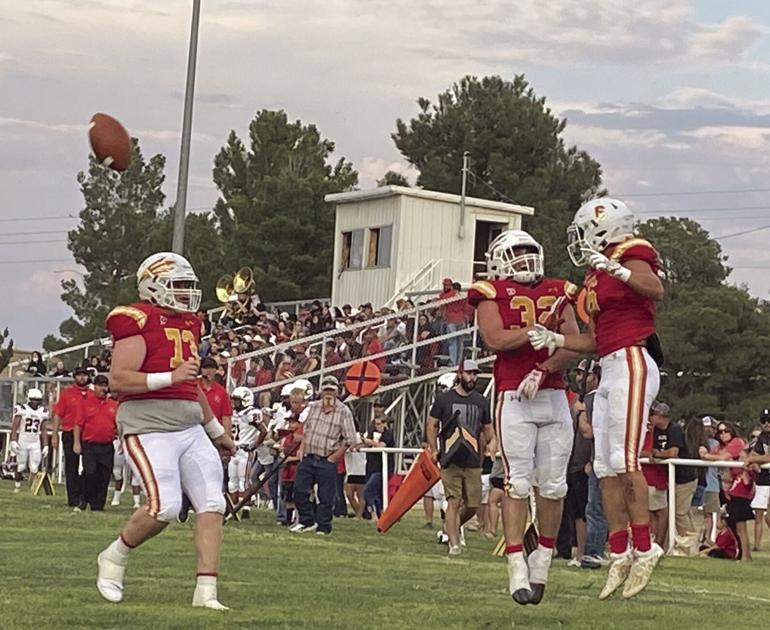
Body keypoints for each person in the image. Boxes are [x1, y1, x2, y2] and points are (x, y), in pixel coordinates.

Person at [530, 197, 665, 599]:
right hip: (610, 364)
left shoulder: (631, 252)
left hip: (633, 360)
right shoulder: (595, 272)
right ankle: (619, 550)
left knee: (625, 460)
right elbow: (596, 338)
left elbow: (655, 289)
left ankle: (646, 547)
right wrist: (557, 340)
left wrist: (617, 269)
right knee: (604, 467)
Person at [95, 252, 235, 610]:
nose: (186, 292)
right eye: (179, 285)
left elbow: (191, 386)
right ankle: (114, 556)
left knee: (213, 503)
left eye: (189, 285)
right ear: (152, 286)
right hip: (148, 424)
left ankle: (206, 592)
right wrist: (170, 377)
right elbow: (119, 379)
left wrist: (216, 430)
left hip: (189, 424)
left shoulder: (191, 322)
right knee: (165, 507)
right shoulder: (136, 318)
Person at [469, 230, 578, 604]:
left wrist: (543, 369)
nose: (525, 259)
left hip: (552, 393)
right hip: (514, 395)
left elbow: (573, 343)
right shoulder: (490, 292)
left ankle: (542, 559)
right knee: (516, 483)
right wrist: (537, 331)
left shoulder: (559, 290)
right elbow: (495, 339)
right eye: (516, 252)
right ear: (499, 259)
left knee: (554, 486)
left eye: (529, 251)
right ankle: (515, 560)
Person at [426, 360, 494, 557]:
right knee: (453, 501)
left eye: (475, 374)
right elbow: (432, 424)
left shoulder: (481, 401)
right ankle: (454, 544)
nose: (472, 378)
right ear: (460, 374)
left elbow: (488, 429)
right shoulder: (444, 399)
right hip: (450, 458)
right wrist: (433, 449)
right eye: (469, 373)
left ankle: (451, 527)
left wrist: (492, 444)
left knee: (473, 505)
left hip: (473, 460)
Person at [291, 375, 361, 535]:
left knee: (325, 496)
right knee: (299, 490)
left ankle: (323, 526)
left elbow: (350, 439)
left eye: (331, 390)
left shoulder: (344, 412)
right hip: (309, 456)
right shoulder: (314, 407)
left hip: (326, 459)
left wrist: (334, 458)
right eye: (326, 390)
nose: (328, 393)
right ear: (321, 391)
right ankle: (306, 521)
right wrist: (302, 448)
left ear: (337, 392)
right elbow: (307, 430)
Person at [646, 402, 698, 539]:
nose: (649, 417)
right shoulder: (655, 431)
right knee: (679, 512)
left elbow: (673, 453)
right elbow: (653, 450)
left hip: (684, 478)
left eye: (652, 414)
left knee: (680, 513)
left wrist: (658, 454)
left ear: (661, 416)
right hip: (671, 477)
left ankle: (687, 543)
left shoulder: (675, 429)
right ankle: (686, 540)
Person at [73, 375, 118, 512]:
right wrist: (76, 443)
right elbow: (78, 425)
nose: (103, 388)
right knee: (90, 473)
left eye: (105, 385)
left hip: (107, 445)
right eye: (100, 385)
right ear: (95, 387)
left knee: (104, 475)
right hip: (90, 445)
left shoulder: (113, 405)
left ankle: (98, 504)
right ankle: (84, 499)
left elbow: (118, 424)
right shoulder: (86, 404)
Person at [51, 366, 93, 507]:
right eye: (79, 375)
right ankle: (73, 498)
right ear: (75, 377)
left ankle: (84, 493)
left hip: (87, 434)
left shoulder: (92, 394)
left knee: (89, 467)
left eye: (84, 375)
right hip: (69, 432)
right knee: (71, 466)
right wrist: (55, 434)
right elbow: (58, 414)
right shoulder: (67, 394)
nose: (82, 378)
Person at [228, 387, 263, 519]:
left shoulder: (251, 413)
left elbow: (263, 430)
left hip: (245, 450)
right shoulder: (234, 413)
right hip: (234, 449)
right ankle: (233, 508)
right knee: (232, 481)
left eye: (237, 400)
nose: (234, 403)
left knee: (244, 480)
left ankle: (245, 508)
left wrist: (255, 445)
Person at [10, 388, 50, 493]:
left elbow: (43, 429)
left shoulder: (42, 411)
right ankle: (17, 485)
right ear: (29, 399)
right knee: (21, 465)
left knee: (34, 467)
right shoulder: (22, 409)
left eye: (37, 400)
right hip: (23, 440)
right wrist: (13, 440)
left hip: (35, 441)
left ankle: (33, 487)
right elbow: (15, 426)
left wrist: (46, 445)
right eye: (33, 399)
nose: (35, 402)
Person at [362, 414, 396, 520]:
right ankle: (379, 514)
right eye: (375, 424)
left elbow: (382, 445)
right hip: (371, 466)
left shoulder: (388, 434)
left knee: (369, 490)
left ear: (385, 424)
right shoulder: (372, 433)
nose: (376, 426)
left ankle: (374, 515)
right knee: (376, 493)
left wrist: (370, 442)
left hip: (381, 468)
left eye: (378, 424)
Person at [748, 408, 770, 550]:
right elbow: (752, 454)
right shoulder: (762, 436)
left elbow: (766, 457)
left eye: (769, 420)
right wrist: (755, 459)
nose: (767, 423)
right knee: (759, 514)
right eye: (763, 420)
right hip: (763, 479)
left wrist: (755, 460)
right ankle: (756, 546)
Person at [199, 356, 233, 436]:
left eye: (211, 368)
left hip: (214, 432)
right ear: (201, 370)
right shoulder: (194, 386)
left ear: (215, 370)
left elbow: (226, 418)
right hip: (196, 430)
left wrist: (227, 438)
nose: (208, 371)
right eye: (205, 368)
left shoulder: (221, 392)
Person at [700, 416, 721, 545]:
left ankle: (706, 539)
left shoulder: (714, 443)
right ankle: (705, 538)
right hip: (707, 484)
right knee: (708, 515)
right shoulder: (714, 444)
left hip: (710, 483)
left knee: (709, 515)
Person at [439, 278, 466, 366]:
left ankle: (454, 362)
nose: (445, 286)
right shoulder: (462, 296)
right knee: (459, 342)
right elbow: (466, 307)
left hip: (451, 320)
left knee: (453, 342)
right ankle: (458, 362)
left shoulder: (447, 295)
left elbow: (442, 303)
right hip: (460, 319)